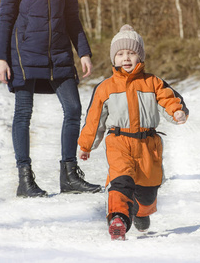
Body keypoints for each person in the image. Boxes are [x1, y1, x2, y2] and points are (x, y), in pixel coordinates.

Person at [0, 0, 101, 197]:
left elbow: (71, 14)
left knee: (73, 108)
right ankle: (24, 180)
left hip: (59, 53)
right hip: (23, 53)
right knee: (23, 113)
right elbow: (6, 16)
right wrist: (1, 57)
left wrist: (83, 52)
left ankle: (70, 176)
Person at [77, 24, 189, 240]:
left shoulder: (153, 82)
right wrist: (86, 145)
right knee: (121, 181)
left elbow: (169, 99)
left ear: (140, 56)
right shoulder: (105, 88)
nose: (126, 58)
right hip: (119, 142)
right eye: (120, 54)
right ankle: (118, 219)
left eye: (131, 53)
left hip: (149, 144)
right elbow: (94, 119)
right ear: (113, 58)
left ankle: (141, 212)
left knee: (147, 193)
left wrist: (177, 112)